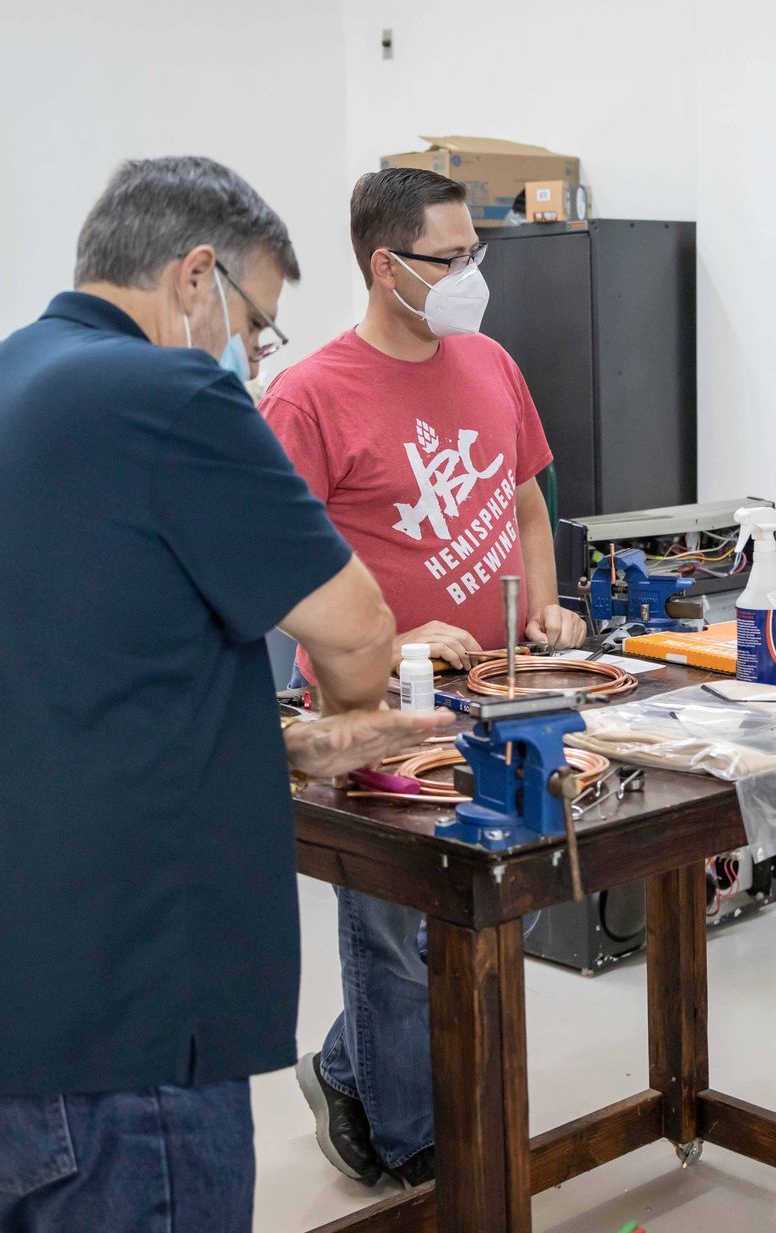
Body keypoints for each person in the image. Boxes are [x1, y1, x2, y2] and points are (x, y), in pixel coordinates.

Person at [0, 156, 451, 1230]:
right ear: (194, 279)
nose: (258, 357)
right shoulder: (162, 390)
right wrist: (353, 714)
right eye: (259, 325)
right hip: (106, 1038)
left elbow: (54, 692)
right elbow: (358, 627)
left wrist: (279, 750)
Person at [258, 166, 583, 1189]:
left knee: (508, 894)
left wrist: (545, 601)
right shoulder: (308, 395)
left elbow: (529, 500)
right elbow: (270, 564)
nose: (471, 278)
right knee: (399, 934)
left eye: (474, 255)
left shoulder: (491, 361)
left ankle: (349, 1063)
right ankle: (411, 1144)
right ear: (385, 265)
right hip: (375, 708)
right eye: (450, 260)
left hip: (501, 689)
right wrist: (394, 634)